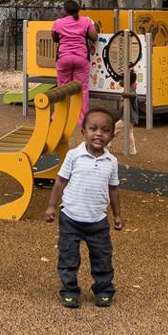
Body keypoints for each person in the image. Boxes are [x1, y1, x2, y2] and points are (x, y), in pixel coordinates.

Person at [43, 106, 122, 308]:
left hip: (98, 220)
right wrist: (52, 206)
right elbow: (60, 181)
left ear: (112, 135)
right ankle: (69, 290)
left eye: (105, 130)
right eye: (93, 128)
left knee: (102, 257)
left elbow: (113, 189)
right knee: (68, 256)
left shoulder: (111, 162)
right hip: (70, 217)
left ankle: (104, 289)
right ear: (83, 132)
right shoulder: (73, 156)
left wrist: (117, 215)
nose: (98, 134)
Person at [51, 1, 99, 128]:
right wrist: (92, 25)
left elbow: (55, 38)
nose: (61, 11)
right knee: (81, 89)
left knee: (62, 87)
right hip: (81, 59)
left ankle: (60, 116)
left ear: (66, 11)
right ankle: (81, 118)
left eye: (62, 9)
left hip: (64, 58)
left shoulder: (58, 23)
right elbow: (94, 37)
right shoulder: (86, 21)